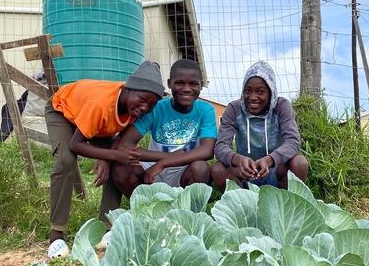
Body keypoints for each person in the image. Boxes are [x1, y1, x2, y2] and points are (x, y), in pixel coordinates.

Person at [45, 60, 165, 259]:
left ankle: (105, 228)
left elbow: (121, 145)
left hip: (95, 123)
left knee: (120, 161)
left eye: (151, 105)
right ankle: (56, 236)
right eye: (143, 99)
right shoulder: (101, 104)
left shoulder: (134, 108)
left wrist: (109, 158)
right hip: (64, 111)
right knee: (66, 161)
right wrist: (113, 155)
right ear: (127, 89)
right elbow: (76, 144)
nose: (145, 108)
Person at [111, 58, 217, 210]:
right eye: (180, 83)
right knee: (121, 168)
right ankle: (147, 212)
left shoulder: (205, 110)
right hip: (152, 170)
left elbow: (207, 150)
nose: (187, 89)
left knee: (201, 168)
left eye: (193, 83)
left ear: (201, 85)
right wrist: (162, 159)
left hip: (183, 170)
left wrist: (164, 163)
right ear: (169, 84)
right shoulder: (155, 108)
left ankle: (189, 214)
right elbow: (125, 146)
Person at [211, 60, 308, 193]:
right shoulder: (234, 108)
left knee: (299, 163)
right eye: (248, 91)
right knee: (218, 169)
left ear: (271, 93)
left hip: (274, 170)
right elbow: (221, 146)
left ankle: (284, 206)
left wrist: (269, 160)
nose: (253, 97)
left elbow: (293, 142)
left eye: (261, 92)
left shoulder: (281, 107)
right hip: (245, 172)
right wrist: (239, 160)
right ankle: (244, 207)